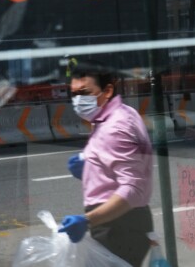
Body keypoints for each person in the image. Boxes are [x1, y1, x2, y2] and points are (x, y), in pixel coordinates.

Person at [57, 59, 154, 267]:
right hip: (120, 223)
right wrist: (90, 168)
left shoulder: (114, 128)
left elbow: (133, 188)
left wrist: (87, 221)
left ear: (107, 90)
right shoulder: (117, 115)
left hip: (118, 226)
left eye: (84, 92)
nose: (78, 100)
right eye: (74, 94)